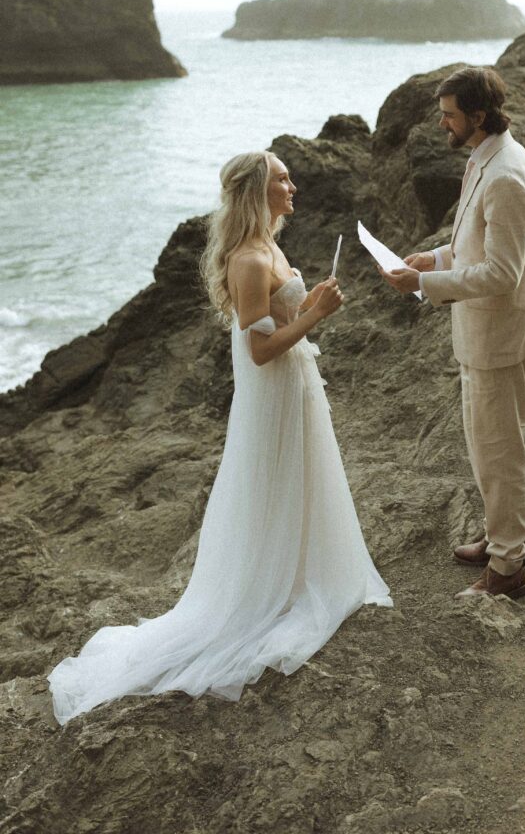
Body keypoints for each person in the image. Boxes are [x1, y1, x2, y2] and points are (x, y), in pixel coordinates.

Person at [48, 151, 392, 726]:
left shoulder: (271, 245)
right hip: (275, 388)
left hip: (293, 384)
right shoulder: (250, 260)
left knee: (296, 479)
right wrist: (317, 316)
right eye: (283, 178)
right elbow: (259, 352)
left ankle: (298, 574)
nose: (294, 185)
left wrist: (307, 306)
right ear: (258, 191)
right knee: (274, 480)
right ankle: (270, 591)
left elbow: (276, 324)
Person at [381, 66, 525, 600]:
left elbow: (503, 272)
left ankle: (507, 569)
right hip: (484, 334)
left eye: (449, 114)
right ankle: (503, 540)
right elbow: (478, 246)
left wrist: (423, 281)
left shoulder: (505, 175)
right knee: (487, 448)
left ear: (478, 115)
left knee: (500, 453)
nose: (441, 123)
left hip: (501, 337)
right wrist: (435, 255)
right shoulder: (485, 158)